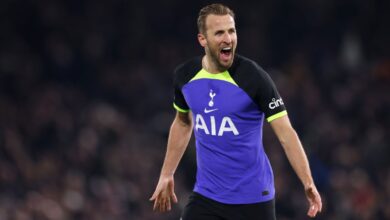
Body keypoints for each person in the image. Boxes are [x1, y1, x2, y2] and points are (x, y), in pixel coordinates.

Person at [150, 3, 322, 220]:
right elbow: (183, 122)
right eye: (219, 32)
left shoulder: (254, 78)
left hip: (253, 199)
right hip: (207, 196)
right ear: (202, 39)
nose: (228, 38)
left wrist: (308, 182)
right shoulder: (185, 76)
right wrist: (167, 173)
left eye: (232, 31)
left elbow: (286, 133)